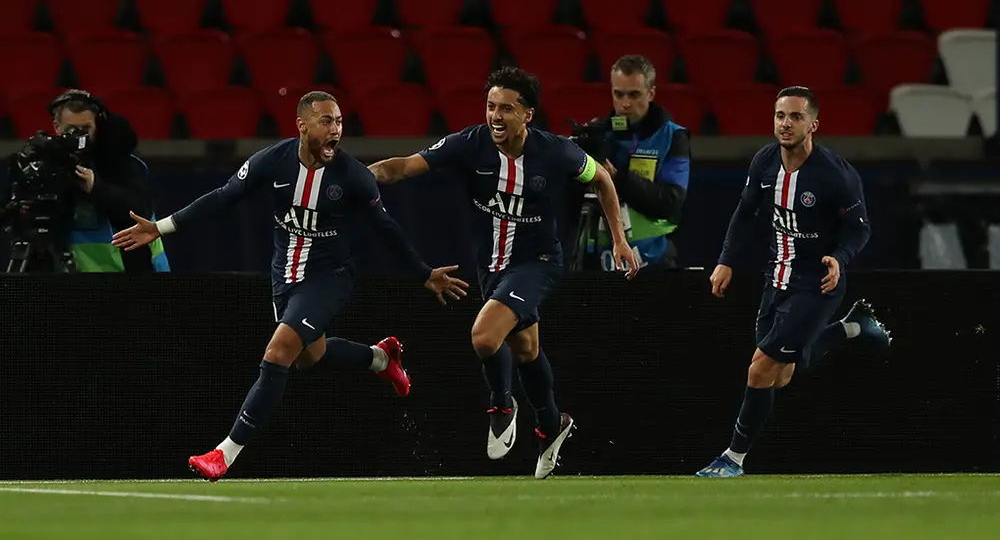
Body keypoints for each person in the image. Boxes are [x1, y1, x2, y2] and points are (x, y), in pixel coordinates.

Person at [112, 91, 468, 482]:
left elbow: (387, 232)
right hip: (285, 276)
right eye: (326, 122)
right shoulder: (272, 161)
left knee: (280, 350)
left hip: (329, 277)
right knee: (308, 357)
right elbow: (222, 198)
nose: (335, 130)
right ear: (302, 125)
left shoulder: (353, 177)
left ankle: (224, 454)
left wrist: (423, 273)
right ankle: (381, 358)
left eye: (338, 122)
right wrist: (159, 227)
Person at [367, 67, 639, 479]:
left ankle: (501, 405)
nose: (496, 115)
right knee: (527, 350)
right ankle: (551, 425)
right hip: (492, 268)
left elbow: (601, 179)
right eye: (491, 106)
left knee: (484, 336)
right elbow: (404, 167)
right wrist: (357, 178)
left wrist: (619, 238)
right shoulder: (469, 144)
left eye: (507, 109)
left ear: (527, 115)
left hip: (539, 263)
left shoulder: (555, 152)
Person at [695, 86, 892, 478]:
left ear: (813, 124)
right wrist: (726, 261)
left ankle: (733, 459)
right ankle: (854, 328)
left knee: (759, 371)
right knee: (780, 375)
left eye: (796, 117)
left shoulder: (835, 175)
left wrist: (839, 258)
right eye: (780, 116)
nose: (786, 124)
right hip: (777, 279)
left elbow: (859, 229)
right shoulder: (764, 162)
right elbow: (745, 212)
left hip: (817, 286)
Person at [1, 89, 170, 272]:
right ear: (57, 127)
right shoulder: (47, 162)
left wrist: (96, 187)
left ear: (97, 124)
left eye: (86, 129)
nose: (79, 136)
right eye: (71, 129)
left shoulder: (121, 160)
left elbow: (139, 207)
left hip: (130, 270)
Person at [577, 54, 691, 271]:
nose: (625, 103)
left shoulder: (673, 137)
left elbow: (670, 201)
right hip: (595, 261)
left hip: (653, 260)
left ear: (651, 93)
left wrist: (617, 178)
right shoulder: (596, 137)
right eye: (618, 94)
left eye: (634, 94)